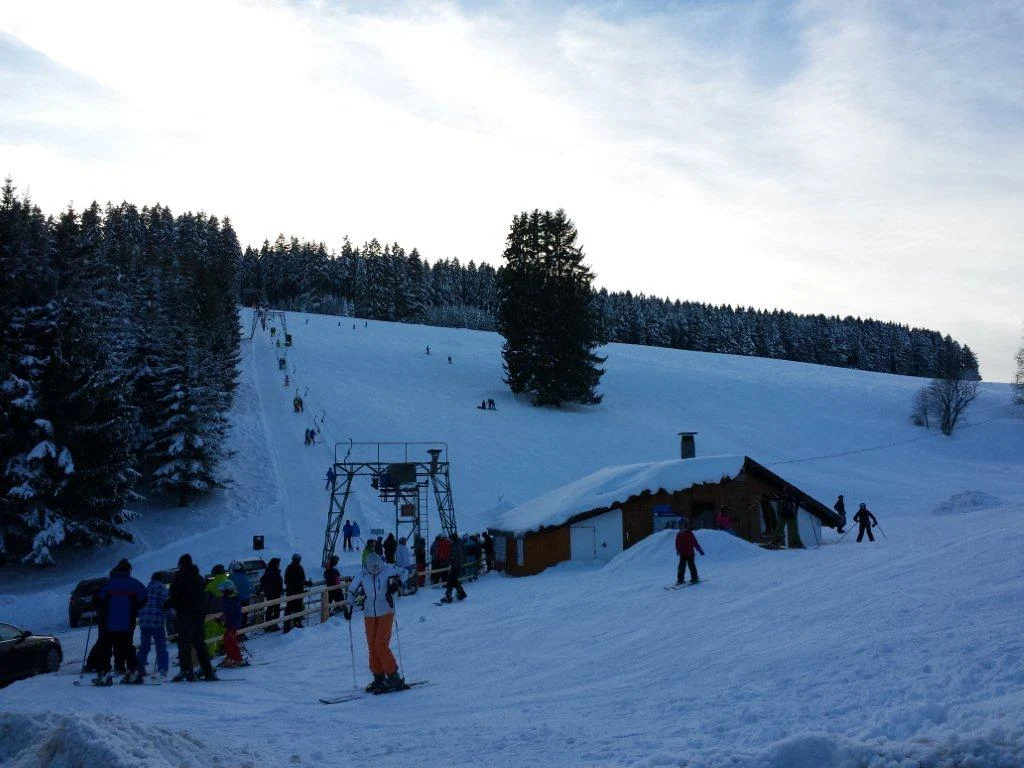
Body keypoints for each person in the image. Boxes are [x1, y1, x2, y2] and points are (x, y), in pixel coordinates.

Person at [342, 552, 409, 694]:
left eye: (378, 569)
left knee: (380, 644)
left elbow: (405, 571)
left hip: (386, 610)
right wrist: (348, 607)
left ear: (380, 565)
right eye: (373, 570)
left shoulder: (387, 569)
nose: (375, 572)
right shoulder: (362, 575)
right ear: (367, 567)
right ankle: (378, 676)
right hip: (369, 613)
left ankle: (393, 676)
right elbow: (352, 591)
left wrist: (397, 584)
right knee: (372, 646)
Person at [92, 559, 148, 685]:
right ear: (129, 570)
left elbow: (98, 599)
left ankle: (104, 674)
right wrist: (135, 606)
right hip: (127, 623)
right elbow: (144, 598)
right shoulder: (135, 584)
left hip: (110, 623)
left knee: (105, 648)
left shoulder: (110, 583)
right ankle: (134, 672)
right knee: (128, 647)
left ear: (117, 570)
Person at [170, 554, 217, 682]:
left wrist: (175, 606)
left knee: (184, 644)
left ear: (181, 564)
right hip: (199, 615)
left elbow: (174, 596)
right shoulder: (198, 577)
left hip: (185, 615)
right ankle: (208, 670)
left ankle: (186, 671)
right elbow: (204, 595)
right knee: (200, 643)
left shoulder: (179, 577)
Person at [137, 571, 170, 680]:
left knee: (144, 646)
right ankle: (162, 669)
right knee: (161, 647)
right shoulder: (163, 589)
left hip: (144, 622)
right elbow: (166, 605)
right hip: (157, 622)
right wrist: (168, 614)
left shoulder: (145, 589)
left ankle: (139, 668)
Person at [216, 580, 245, 668]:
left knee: (230, 640)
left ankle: (238, 659)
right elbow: (226, 612)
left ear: (227, 590)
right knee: (227, 639)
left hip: (233, 622)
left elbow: (230, 612)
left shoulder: (232, 600)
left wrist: (223, 619)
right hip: (231, 622)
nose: (221, 592)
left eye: (223, 591)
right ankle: (230, 657)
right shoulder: (228, 598)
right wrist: (221, 619)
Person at [284, 553, 311, 631]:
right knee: (298, 608)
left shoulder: (288, 568)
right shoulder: (299, 568)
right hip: (298, 592)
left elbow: (286, 580)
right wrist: (306, 583)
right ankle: (297, 623)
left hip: (290, 592)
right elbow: (301, 580)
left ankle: (287, 625)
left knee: (289, 608)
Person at [675, 518, 705, 585]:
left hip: (690, 553)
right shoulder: (678, 535)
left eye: (681, 525)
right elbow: (677, 543)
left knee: (691, 565)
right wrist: (677, 549)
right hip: (682, 554)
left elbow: (695, 542)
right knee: (681, 567)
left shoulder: (689, 533)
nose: (680, 527)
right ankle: (680, 580)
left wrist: (700, 550)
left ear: (685, 525)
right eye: (679, 525)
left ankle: (694, 578)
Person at [441, 532, 468, 603]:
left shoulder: (455, 546)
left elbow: (453, 557)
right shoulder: (459, 544)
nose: (450, 541)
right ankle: (461, 594)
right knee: (454, 581)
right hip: (458, 566)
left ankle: (449, 596)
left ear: (453, 539)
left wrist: (448, 562)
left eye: (450, 539)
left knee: (450, 580)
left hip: (455, 566)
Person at [260, 557, 284, 631]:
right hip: (274, 594)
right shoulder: (272, 572)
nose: (279, 565)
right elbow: (275, 582)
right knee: (275, 609)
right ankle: (272, 625)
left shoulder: (271, 571)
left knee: (271, 609)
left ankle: (269, 625)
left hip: (272, 593)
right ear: (275, 564)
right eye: (278, 564)